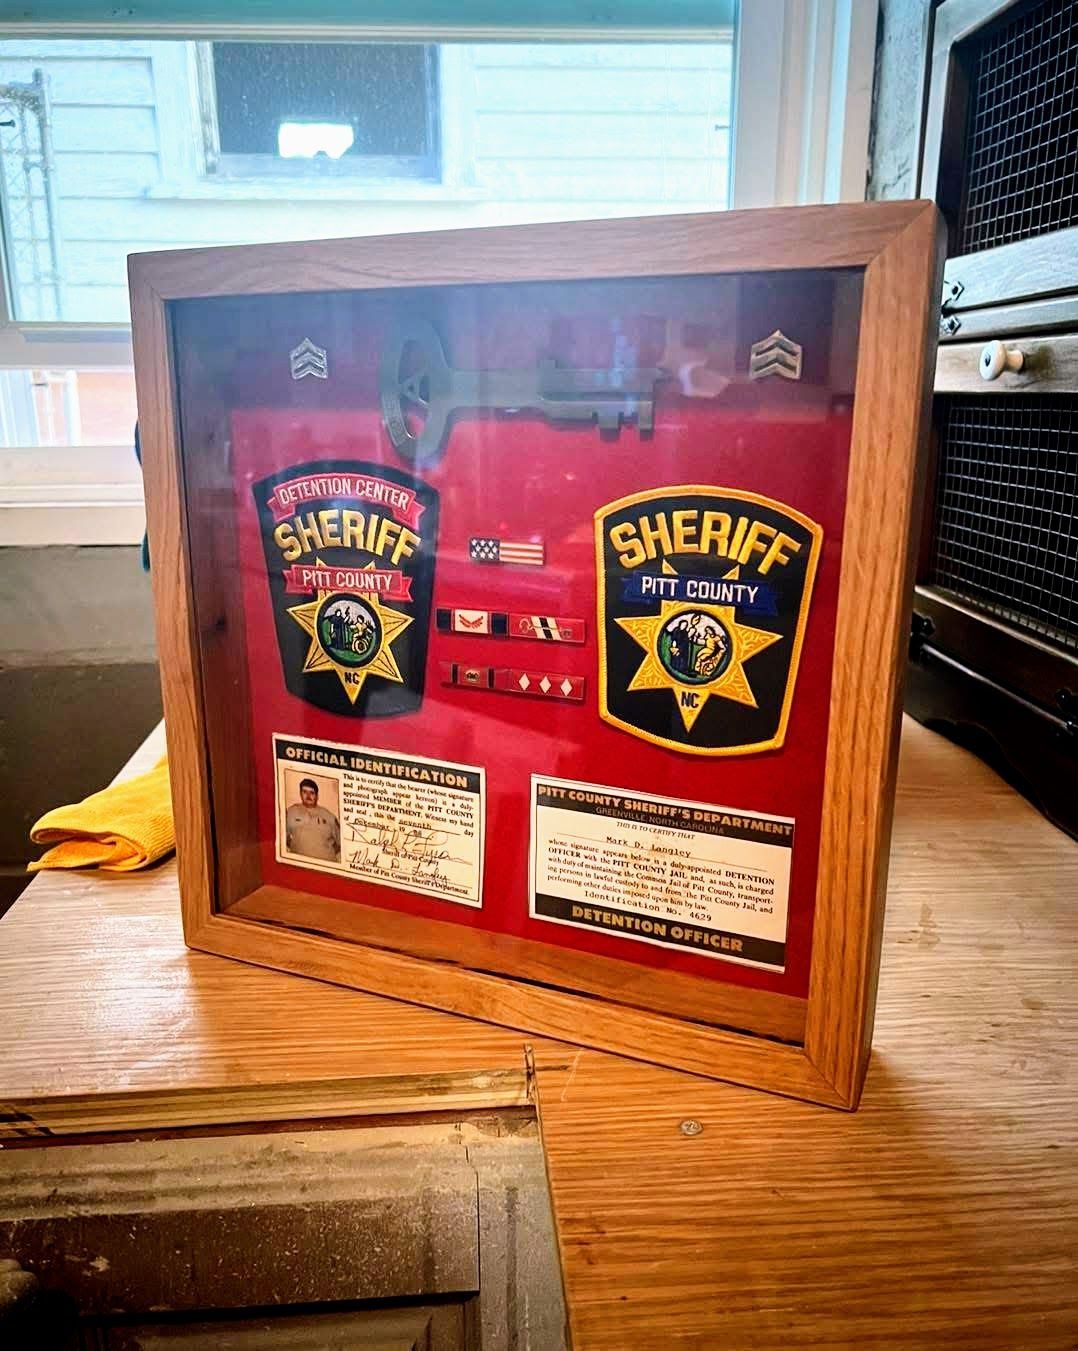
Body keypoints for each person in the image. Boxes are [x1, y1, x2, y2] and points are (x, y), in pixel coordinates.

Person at [285, 778, 340, 862]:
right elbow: (284, 837)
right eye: (304, 792)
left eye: (312, 793)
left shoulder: (329, 816)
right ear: (300, 794)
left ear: (317, 796)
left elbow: (340, 842)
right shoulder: (291, 812)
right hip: (300, 864)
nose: (308, 796)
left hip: (326, 864)